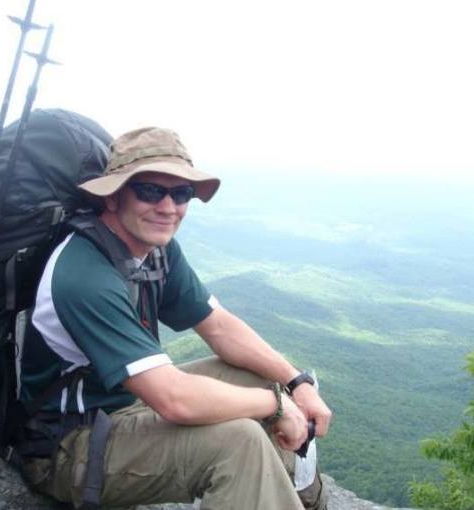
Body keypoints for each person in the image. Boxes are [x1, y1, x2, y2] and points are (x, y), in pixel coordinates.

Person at [18, 127, 332, 509]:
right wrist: (276, 407)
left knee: (264, 376)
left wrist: (295, 383)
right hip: (66, 447)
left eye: (181, 193)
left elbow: (219, 326)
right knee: (239, 442)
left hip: (124, 407)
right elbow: (173, 400)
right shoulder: (84, 275)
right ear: (114, 197)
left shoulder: (155, 252)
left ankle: (301, 500)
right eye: (150, 191)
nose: (168, 206)